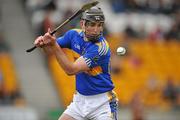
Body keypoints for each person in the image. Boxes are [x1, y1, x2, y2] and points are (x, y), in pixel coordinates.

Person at [34, 6, 118, 120]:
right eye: (92, 25)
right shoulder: (73, 35)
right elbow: (50, 51)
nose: (96, 29)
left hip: (102, 104)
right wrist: (44, 44)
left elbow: (71, 70)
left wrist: (52, 44)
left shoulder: (100, 49)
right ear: (83, 24)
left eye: (99, 25)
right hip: (80, 101)